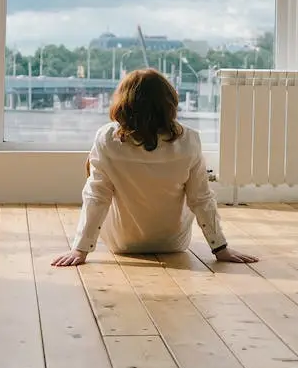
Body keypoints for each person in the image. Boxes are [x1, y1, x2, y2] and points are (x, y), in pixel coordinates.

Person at [52, 68, 259, 267]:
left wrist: (80, 249)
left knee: (94, 172)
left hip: (121, 243)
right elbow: (201, 198)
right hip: (173, 243)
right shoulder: (190, 139)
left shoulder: (107, 138)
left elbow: (97, 197)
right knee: (194, 189)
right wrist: (220, 248)